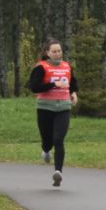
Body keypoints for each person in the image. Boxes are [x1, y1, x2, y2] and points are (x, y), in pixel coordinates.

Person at [27, 39, 79, 187]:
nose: (57, 54)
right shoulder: (41, 67)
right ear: (47, 53)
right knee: (47, 140)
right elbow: (34, 87)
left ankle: (58, 172)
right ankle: (46, 150)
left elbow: (73, 83)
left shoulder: (67, 67)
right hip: (45, 108)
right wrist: (53, 84)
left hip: (63, 107)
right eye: (54, 51)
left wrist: (73, 93)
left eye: (59, 51)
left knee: (58, 139)